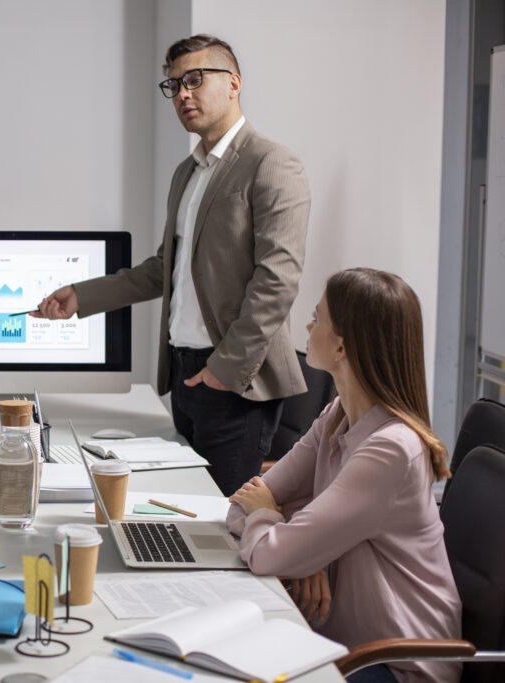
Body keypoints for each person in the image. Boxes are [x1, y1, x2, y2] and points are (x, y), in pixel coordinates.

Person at [35, 34, 310, 496]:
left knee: (224, 527)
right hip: (184, 375)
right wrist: (82, 296)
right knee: (182, 513)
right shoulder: (188, 173)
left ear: (234, 83)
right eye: (174, 85)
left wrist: (225, 369)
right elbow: (164, 267)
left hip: (234, 383)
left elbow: (277, 281)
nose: (183, 93)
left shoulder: (272, 164)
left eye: (195, 80)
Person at [227, 268, 462, 683]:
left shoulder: (392, 449)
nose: (307, 324)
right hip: (340, 641)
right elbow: (241, 506)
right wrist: (307, 554)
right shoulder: (338, 416)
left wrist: (297, 546)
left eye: (317, 317)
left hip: (395, 662)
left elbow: (268, 553)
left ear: (341, 346)